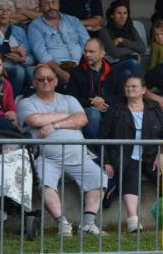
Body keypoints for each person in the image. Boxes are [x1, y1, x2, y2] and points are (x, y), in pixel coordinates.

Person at [17, 64, 106, 236]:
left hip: (78, 155)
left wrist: (55, 125)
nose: (45, 82)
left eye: (49, 78)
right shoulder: (26, 102)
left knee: (99, 177)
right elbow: (35, 119)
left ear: (56, 81)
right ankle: (62, 224)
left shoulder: (69, 100)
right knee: (45, 183)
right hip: (47, 157)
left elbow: (82, 119)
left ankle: (88, 224)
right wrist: (68, 116)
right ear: (34, 82)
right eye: (41, 79)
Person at [97, 75, 163, 233]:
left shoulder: (154, 107)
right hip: (124, 154)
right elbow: (103, 136)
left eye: (134, 86)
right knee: (131, 174)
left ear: (143, 90)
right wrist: (107, 162)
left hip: (151, 154)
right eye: (127, 86)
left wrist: (161, 153)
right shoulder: (116, 109)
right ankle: (133, 221)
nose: (130, 89)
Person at [26, 0, 90, 87]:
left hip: (80, 64)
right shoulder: (35, 26)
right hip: (55, 68)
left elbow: (87, 42)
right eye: (46, 4)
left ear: (59, 3)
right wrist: (59, 72)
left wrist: (85, 63)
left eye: (53, 2)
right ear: (40, 7)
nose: (51, 7)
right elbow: (42, 55)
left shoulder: (73, 20)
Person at [65, 38, 122, 139]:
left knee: (121, 113)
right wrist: (92, 103)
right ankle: (95, 152)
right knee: (93, 114)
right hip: (86, 109)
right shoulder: (77, 73)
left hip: (108, 107)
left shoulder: (113, 72)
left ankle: (114, 152)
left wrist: (104, 100)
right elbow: (70, 99)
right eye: (86, 51)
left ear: (102, 53)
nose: (87, 55)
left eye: (91, 51)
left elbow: (121, 96)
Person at [0, 0, 33, 96]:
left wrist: (23, 59)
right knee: (19, 70)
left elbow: (31, 56)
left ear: (12, 14)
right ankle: (14, 98)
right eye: (1, 10)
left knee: (33, 71)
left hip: (20, 63)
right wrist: (11, 49)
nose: (4, 13)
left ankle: (29, 99)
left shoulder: (19, 31)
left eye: (8, 10)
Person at [98, 0, 147, 71]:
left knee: (129, 70)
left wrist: (122, 40)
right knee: (132, 65)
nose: (122, 16)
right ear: (112, 15)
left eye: (125, 13)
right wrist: (134, 51)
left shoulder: (131, 28)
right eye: (119, 13)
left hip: (131, 62)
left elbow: (142, 48)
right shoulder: (104, 30)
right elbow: (115, 52)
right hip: (112, 65)